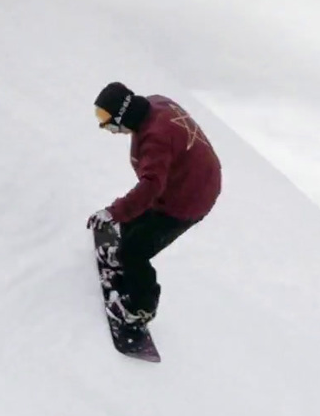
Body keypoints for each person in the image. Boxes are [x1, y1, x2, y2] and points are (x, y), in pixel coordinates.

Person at [87, 82, 222, 327]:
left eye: (105, 117)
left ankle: (141, 309)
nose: (102, 125)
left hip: (189, 199)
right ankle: (123, 263)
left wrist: (112, 212)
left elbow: (151, 187)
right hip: (186, 181)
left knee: (135, 251)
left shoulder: (155, 139)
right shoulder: (154, 104)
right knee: (132, 224)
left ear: (122, 115)